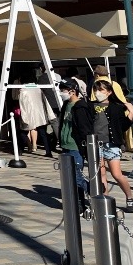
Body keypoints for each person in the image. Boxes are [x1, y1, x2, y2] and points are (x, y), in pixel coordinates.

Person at [92, 79, 133, 212]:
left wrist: (131, 114)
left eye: (101, 90)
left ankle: (129, 198)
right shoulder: (90, 106)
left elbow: (122, 126)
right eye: (96, 90)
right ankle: (105, 201)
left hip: (111, 144)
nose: (98, 93)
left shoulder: (116, 107)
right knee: (101, 174)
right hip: (95, 143)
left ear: (109, 92)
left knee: (117, 174)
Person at [58, 78, 93, 210]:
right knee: (70, 177)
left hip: (75, 146)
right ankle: (79, 203)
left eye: (64, 90)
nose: (62, 93)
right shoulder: (66, 105)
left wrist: (86, 147)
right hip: (65, 144)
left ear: (73, 91)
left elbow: (85, 128)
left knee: (76, 176)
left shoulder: (80, 106)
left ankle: (93, 190)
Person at [18, 72, 56, 156]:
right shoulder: (38, 89)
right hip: (40, 114)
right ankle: (48, 151)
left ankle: (20, 150)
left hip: (29, 114)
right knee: (43, 133)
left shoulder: (23, 90)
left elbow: (22, 105)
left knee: (23, 132)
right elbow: (45, 101)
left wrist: (24, 117)